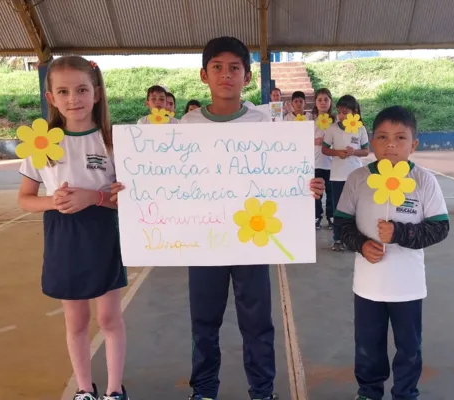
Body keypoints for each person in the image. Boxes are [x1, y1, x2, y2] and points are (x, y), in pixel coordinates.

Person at [110, 36, 325, 400]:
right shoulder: (185, 127)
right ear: (203, 75)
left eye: (235, 68)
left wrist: (306, 187)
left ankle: (262, 391)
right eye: (218, 68)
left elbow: (282, 176)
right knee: (204, 324)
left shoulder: (265, 125)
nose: (226, 75)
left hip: (253, 245)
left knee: (258, 324)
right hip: (203, 245)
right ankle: (204, 390)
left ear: (248, 77)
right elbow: (161, 179)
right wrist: (131, 189)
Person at [16, 56, 129, 400]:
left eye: (81, 89)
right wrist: (56, 201)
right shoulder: (41, 146)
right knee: (76, 322)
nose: (73, 98)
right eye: (63, 91)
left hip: (104, 236)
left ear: (96, 93)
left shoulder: (114, 142)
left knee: (109, 319)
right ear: (50, 98)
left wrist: (93, 197)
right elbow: (25, 198)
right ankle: (84, 389)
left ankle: (113, 390)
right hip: (63, 238)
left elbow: (129, 201)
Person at [334, 106, 450, 400]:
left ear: (414, 144)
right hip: (368, 287)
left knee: (409, 347)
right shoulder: (357, 180)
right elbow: (342, 224)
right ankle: (368, 392)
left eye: (400, 138)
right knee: (367, 345)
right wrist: (360, 244)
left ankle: (405, 393)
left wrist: (401, 233)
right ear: (371, 142)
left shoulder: (424, 181)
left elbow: (440, 227)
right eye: (383, 137)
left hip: (407, 287)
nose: (391, 145)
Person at [321, 95, 369, 251]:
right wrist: (337, 153)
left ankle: (355, 238)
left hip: (356, 175)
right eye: (339, 112)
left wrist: (354, 152)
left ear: (354, 112)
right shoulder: (332, 129)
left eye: (345, 112)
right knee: (339, 208)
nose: (341, 116)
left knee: (357, 208)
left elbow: (366, 151)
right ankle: (338, 238)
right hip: (337, 176)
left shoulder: (360, 129)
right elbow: (324, 149)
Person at [311, 88, 335, 229]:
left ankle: (331, 217)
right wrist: (315, 141)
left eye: (326, 99)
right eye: (319, 100)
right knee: (316, 194)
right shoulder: (310, 122)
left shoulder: (336, 122)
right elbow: (302, 140)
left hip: (332, 164)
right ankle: (316, 217)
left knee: (331, 193)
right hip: (316, 163)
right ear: (315, 102)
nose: (323, 103)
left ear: (330, 102)